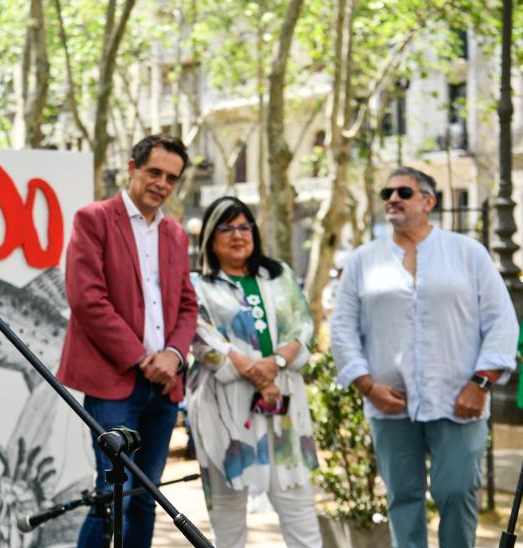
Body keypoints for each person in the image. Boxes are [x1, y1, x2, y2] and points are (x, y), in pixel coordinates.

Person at [331, 166, 518, 548]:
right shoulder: (363, 260)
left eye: (403, 192)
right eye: (387, 193)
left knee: (457, 492)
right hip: (389, 405)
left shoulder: (468, 253)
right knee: (402, 499)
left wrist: (481, 383)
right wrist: (367, 386)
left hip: (459, 401)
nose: (393, 199)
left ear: (429, 201)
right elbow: (342, 329)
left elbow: (502, 321)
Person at [58, 134, 198, 547]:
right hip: (113, 384)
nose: (162, 183)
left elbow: (188, 304)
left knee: (145, 499)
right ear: (133, 168)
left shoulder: (175, 233)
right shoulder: (94, 218)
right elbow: (87, 298)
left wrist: (173, 356)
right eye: (154, 171)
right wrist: (142, 358)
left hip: (164, 386)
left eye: (172, 178)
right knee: (111, 499)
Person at [186, 196, 321, 548]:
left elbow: (302, 328)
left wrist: (273, 364)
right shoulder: (197, 286)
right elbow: (200, 336)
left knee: (299, 503)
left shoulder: (279, 276)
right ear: (210, 239)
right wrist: (250, 369)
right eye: (226, 228)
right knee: (228, 516)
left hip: (284, 406)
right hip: (225, 409)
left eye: (244, 227)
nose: (237, 235)